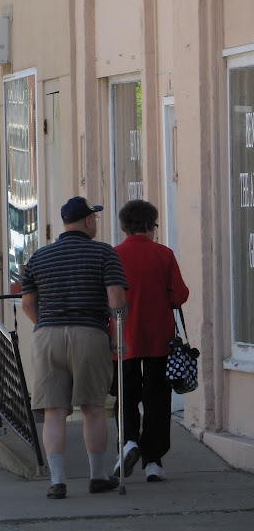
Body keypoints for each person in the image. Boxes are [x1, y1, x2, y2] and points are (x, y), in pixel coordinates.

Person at [21, 196, 127, 499]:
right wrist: (118, 336)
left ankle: (58, 481)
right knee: (93, 408)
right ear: (89, 221)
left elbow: (28, 303)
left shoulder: (38, 257)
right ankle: (97, 476)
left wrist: (47, 323)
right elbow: (116, 299)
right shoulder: (103, 253)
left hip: (47, 336)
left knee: (54, 411)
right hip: (89, 333)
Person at [112, 199, 189, 483]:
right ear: (148, 225)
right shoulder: (164, 254)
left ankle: (129, 441)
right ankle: (153, 460)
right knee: (157, 396)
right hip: (159, 337)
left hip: (123, 337)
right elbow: (178, 295)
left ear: (125, 226)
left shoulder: (113, 255)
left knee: (126, 394)